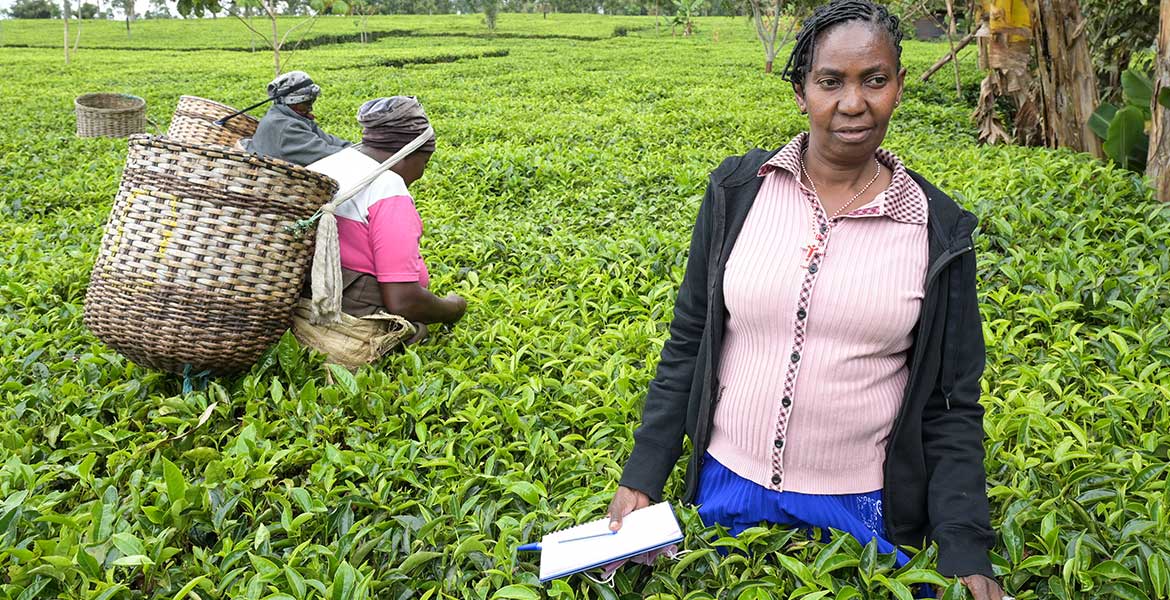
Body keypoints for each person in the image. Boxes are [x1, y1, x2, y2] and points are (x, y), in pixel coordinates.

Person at [605, 2, 1007, 599]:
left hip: (864, 507)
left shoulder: (937, 229)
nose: (853, 103)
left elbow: (952, 405)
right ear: (801, 91)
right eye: (830, 81)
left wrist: (964, 547)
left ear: (898, 86)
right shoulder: (738, 193)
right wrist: (643, 475)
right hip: (725, 488)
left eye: (874, 80)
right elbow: (689, 340)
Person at [300, 96, 466, 354]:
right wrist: (453, 308)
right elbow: (403, 301)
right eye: (425, 162)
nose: (422, 174)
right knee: (415, 331)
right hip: (353, 307)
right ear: (407, 155)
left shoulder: (327, 164)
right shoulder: (387, 187)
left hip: (309, 291)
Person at [244, 71, 352, 166]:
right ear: (291, 102)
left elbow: (329, 140)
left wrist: (355, 149)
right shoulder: (285, 126)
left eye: (312, 102)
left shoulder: (292, 117)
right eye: (305, 104)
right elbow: (325, 154)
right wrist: (358, 157)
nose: (310, 108)